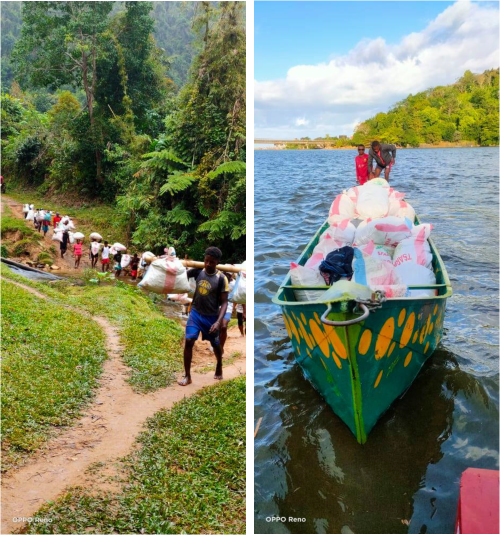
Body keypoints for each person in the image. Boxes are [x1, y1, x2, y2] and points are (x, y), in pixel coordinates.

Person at [178, 246, 229, 386]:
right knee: (189, 341)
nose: (208, 264)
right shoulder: (198, 272)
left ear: (217, 262)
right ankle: (187, 376)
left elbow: (224, 303)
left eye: (211, 262)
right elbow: (180, 275)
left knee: (216, 344)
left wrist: (218, 322)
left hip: (212, 316)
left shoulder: (221, 279)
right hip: (195, 312)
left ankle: (219, 364)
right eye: (206, 261)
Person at [219, 273, 236, 352]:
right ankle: (216, 344)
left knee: (224, 327)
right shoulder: (218, 282)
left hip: (228, 308)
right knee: (218, 328)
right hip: (217, 307)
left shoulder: (234, 284)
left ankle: (221, 347)